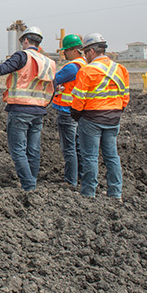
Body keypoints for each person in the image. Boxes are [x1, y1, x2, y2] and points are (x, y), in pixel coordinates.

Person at [0, 26, 56, 191]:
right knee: (33, 150)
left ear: (25, 40)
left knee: (18, 149)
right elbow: (52, 88)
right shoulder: (48, 61)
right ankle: (31, 183)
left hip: (20, 109)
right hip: (39, 111)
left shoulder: (22, 56)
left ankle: (28, 185)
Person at [70, 33, 129, 200]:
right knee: (112, 156)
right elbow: (125, 96)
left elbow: (79, 99)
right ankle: (115, 193)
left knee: (90, 156)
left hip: (92, 118)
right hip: (113, 118)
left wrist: (76, 114)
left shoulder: (87, 70)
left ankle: (89, 193)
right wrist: (116, 111)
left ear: (91, 52)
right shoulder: (120, 69)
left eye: (85, 53)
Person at [51, 34, 87, 187]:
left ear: (73, 50)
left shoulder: (72, 67)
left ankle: (70, 181)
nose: (64, 53)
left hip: (67, 112)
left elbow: (53, 80)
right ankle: (80, 177)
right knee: (79, 147)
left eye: (65, 50)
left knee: (69, 149)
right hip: (79, 112)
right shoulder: (85, 65)